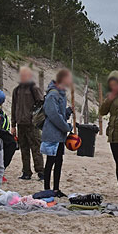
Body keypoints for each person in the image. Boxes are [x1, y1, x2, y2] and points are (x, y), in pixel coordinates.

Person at [41, 69, 73, 198]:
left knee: (59, 161)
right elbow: (53, 115)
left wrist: (68, 111)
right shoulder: (52, 95)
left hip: (59, 135)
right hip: (52, 134)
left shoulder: (61, 95)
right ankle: (47, 189)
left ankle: (56, 189)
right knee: (50, 161)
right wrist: (67, 127)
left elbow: (60, 114)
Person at [11, 66, 45, 181]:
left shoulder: (33, 88)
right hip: (21, 124)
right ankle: (26, 172)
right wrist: (13, 124)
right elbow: (13, 107)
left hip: (32, 124)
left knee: (36, 147)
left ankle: (41, 172)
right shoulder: (16, 90)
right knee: (24, 149)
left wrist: (36, 118)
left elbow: (41, 103)